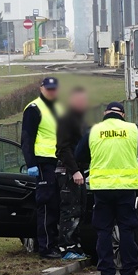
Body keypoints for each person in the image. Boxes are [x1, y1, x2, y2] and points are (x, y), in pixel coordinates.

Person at [75, 102, 138, 275]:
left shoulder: (94, 131)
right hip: (126, 188)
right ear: (122, 115)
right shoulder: (132, 129)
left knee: (103, 231)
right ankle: (129, 272)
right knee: (127, 230)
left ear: (105, 114)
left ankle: (106, 274)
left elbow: (79, 155)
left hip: (102, 188)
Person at [21, 77, 65, 259]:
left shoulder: (60, 108)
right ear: (41, 88)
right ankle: (46, 246)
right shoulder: (34, 109)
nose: (52, 92)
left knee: (57, 204)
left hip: (58, 161)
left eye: (54, 89)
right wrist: (31, 163)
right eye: (48, 89)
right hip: (42, 161)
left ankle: (54, 243)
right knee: (46, 203)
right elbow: (27, 138)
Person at [55, 86, 90, 260]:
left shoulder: (81, 119)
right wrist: (74, 170)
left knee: (80, 209)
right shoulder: (67, 119)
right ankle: (66, 247)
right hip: (69, 171)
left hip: (80, 169)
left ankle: (76, 245)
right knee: (70, 209)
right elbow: (63, 148)